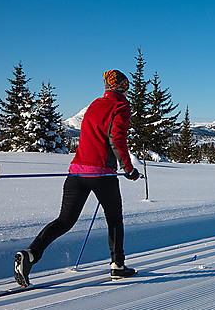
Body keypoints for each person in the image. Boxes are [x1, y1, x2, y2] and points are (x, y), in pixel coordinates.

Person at [14, 69, 141, 287]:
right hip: (102, 174)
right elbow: (116, 138)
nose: (127, 88)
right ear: (121, 85)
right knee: (114, 219)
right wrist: (128, 169)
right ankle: (117, 266)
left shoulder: (94, 105)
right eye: (126, 84)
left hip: (76, 172)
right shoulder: (121, 106)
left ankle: (30, 254)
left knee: (64, 221)